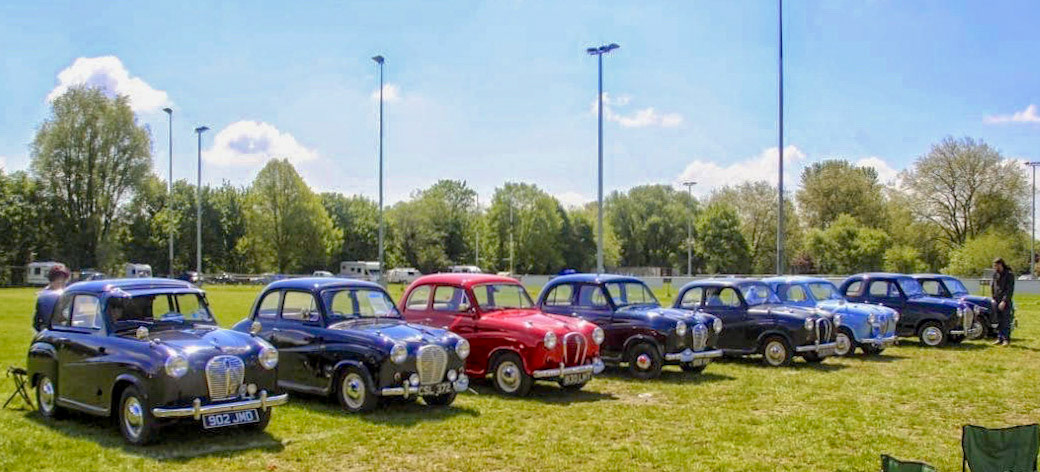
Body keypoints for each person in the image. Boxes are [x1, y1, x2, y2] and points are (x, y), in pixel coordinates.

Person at [33, 264, 70, 332]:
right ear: (52, 280)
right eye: (57, 279)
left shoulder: (68, 294)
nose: (60, 281)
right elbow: (37, 321)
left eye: (63, 279)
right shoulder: (44, 296)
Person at [990, 258, 1015, 346]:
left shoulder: (1009, 275)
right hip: (996, 300)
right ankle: (1000, 338)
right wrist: (993, 298)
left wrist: (1004, 301)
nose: (995, 267)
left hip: (1005, 301)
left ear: (1001, 264)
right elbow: (993, 286)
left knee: (1005, 320)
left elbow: (1009, 290)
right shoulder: (995, 274)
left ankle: (1006, 339)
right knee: (998, 320)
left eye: (996, 265)